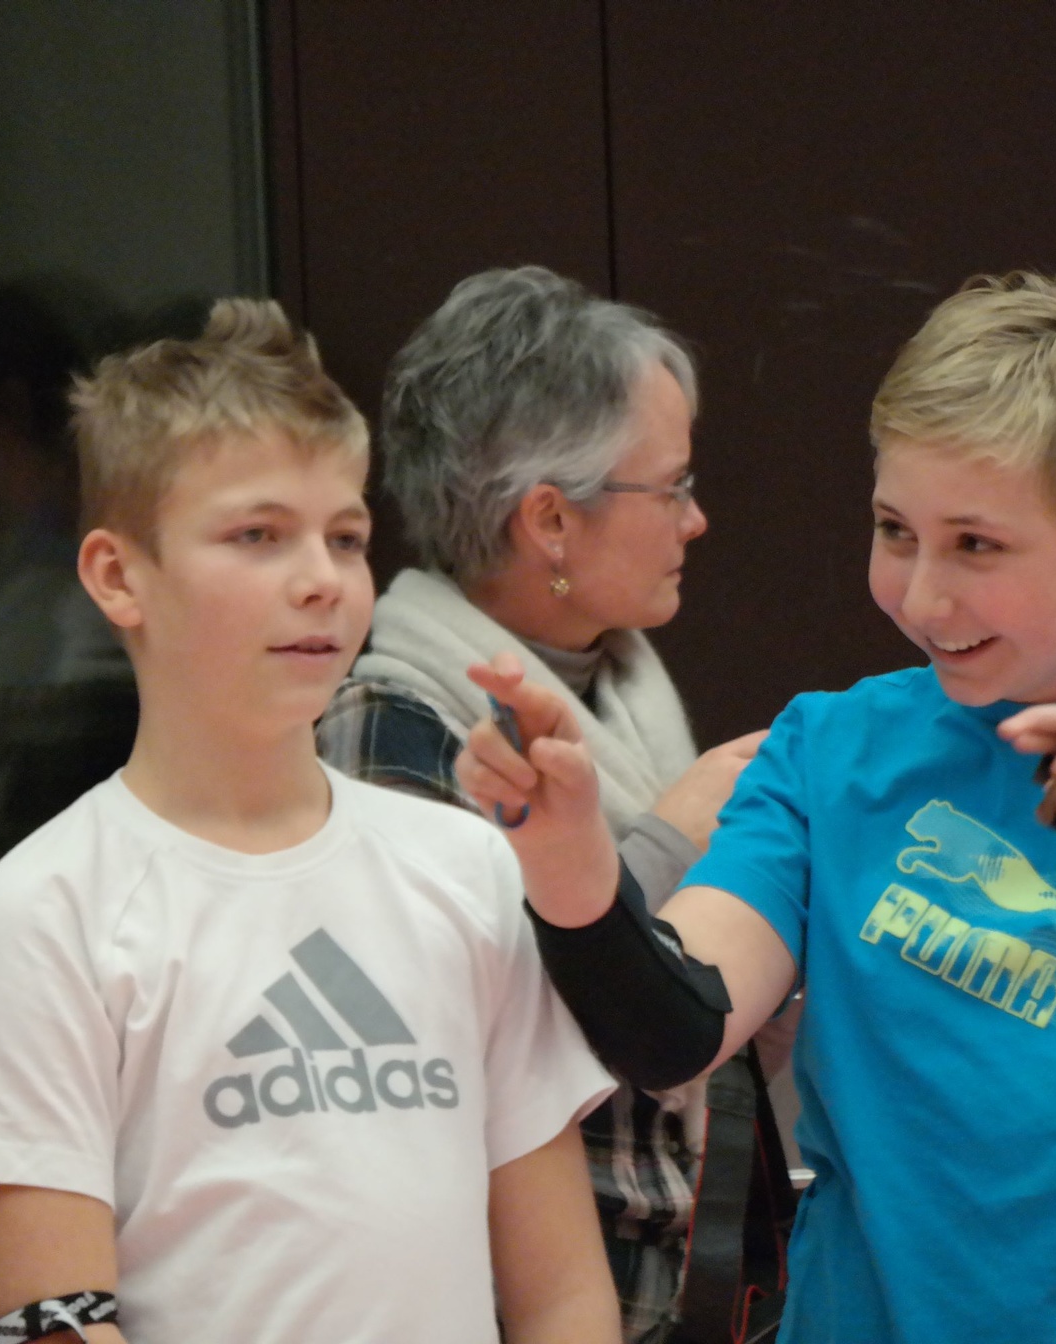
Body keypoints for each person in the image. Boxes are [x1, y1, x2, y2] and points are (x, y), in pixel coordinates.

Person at [460, 272, 1056, 1342]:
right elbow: (675, 1029)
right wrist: (572, 863)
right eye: (895, 530)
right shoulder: (829, 748)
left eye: (976, 545)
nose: (923, 594)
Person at [0, 299, 618, 1344]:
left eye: (347, 538)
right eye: (258, 536)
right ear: (117, 576)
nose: (321, 581)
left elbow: (563, 1296)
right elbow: (52, 1325)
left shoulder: (465, 867)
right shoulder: (46, 912)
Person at [317, 265, 780, 1342]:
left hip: (683, 1284)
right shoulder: (391, 726)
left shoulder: (620, 683)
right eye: (671, 486)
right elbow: (442, 1050)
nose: (697, 519)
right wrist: (669, 848)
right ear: (550, 520)